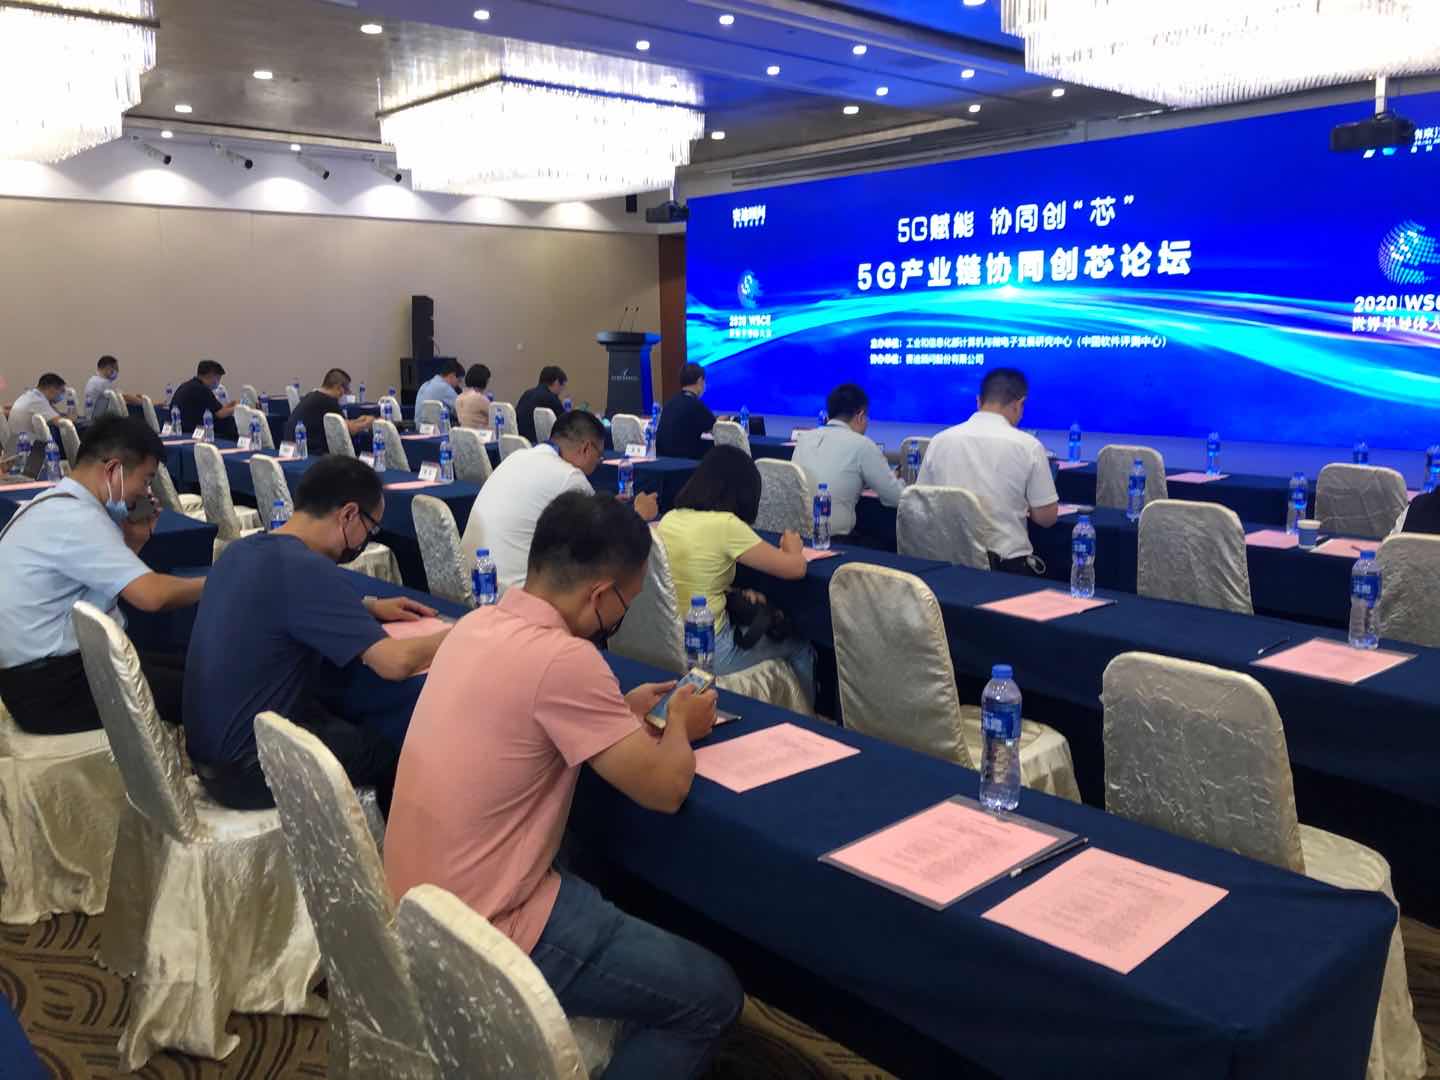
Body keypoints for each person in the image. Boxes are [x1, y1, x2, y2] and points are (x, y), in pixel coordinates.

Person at [386, 491, 741, 1079]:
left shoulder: (476, 623)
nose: (621, 619)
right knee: (713, 998)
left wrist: (619, 710)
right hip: (490, 929)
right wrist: (681, 722)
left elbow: (528, 716)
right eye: (626, 604)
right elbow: (666, 788)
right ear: (600, 595)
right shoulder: (565, 660)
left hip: (419, 904)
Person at [182, 456, 448, 813]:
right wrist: (460, 634)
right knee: (397, 748)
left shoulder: (242, 550)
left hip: (210, 754)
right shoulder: (307, 569)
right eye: (371, 529)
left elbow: (282, 603)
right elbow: (394, 663)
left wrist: (367, 607)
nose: (366, 541)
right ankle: (397, 845)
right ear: (349, 515)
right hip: (253, 770)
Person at [0, 417, 204, 734]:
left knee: (196, 668)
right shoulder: (78, 519)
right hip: (52, 688)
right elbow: (152, 597)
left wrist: (133, 541)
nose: (145, 492)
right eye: (145, 480)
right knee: (204, 692)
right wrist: (219, 581)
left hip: (47, 673)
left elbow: (97, 583)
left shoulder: (51, 503)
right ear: (113, 470)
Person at [658, 445, 813, 694]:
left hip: (671, 642)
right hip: (711, 649)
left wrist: (734, 592)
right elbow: (796, 569)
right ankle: (806, 715)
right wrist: (793, 548)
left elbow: (692, 576)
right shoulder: (726, 525)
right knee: (801, 646)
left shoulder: (670, 518)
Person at [460, 410, 657, 591]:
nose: (597, 464)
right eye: (599, 457)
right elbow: (604, 541)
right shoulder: (570, 476)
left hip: (473, 580)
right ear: (587, 448)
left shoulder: (518, 456)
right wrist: (637, 514)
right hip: (512, 593)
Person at [915, 367, 1059, 575]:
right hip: (1004, 571)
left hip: (944, 567)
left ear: (978, 401)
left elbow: (921, 504)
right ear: (1019, 404)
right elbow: (1047, 518)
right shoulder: (1028, 446)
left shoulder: (939, 441)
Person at [791, 383, 902, 540]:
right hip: (834, 540)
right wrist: (899, 481)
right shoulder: (862, 445)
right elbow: (896, 497)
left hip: (796, 536)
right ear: (860, 416)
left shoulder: (804, 439)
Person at [283, 367, 374, 453]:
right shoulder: (328, 401)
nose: (345, 394)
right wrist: (367, 423)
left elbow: (343, 423)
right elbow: (348, 430)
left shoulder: (313, 395)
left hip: (291, 447)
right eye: (346, 390)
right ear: (338, 387)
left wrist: (358, 421)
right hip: (308, 451)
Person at [655, 362, 716, 459]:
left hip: (662, 458)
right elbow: (715, 429)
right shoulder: (696, 405)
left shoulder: (669, 403)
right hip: (684, 461)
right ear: (700, 381)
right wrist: (725, 419)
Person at [171, 359, 239, 440]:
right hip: (193, 431)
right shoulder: (202, 389)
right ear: (211, 375)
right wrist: (239, 408)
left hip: (182, 428)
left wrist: (231, 405)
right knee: (231, 424)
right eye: (218, 379)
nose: (218, 382)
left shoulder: (187, 385)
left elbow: (216, 409)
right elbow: (219, 414)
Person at [5, 374, 66, 456]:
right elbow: (63, 423)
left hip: (15, 448)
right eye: (62, 391)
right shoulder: (38, 401)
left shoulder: (30, 396)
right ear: (52, 389)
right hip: (26, 451)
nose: (62, 395)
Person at [515, 365, 568, 443]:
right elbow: (567, 425)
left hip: (520, 442)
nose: (561, 391)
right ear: (556, 382)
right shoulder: (551, 398)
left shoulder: (527, 393)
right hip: (536, 443)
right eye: (562, 386)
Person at [84, 355, 143, 419]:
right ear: (108, 368)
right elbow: (123, 397)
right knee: (137, 410)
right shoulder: (103, 383)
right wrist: (141, 401)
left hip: (91, 417)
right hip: (99, 420)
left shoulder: (92, 380)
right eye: (116, 369)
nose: (117, 371)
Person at [414, 359, 464, 424]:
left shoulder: (425, 384)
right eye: (459, 380)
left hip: (419, 427)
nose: (458, 385)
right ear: (452, 375)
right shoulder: (445, 388)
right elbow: (462, 411)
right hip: (436, 429)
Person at [455, 363, 493, 430]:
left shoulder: (459, 398)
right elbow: (495, 416)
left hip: (464, 434)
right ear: (484, 381)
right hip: (482, 435)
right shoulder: (479, 398)